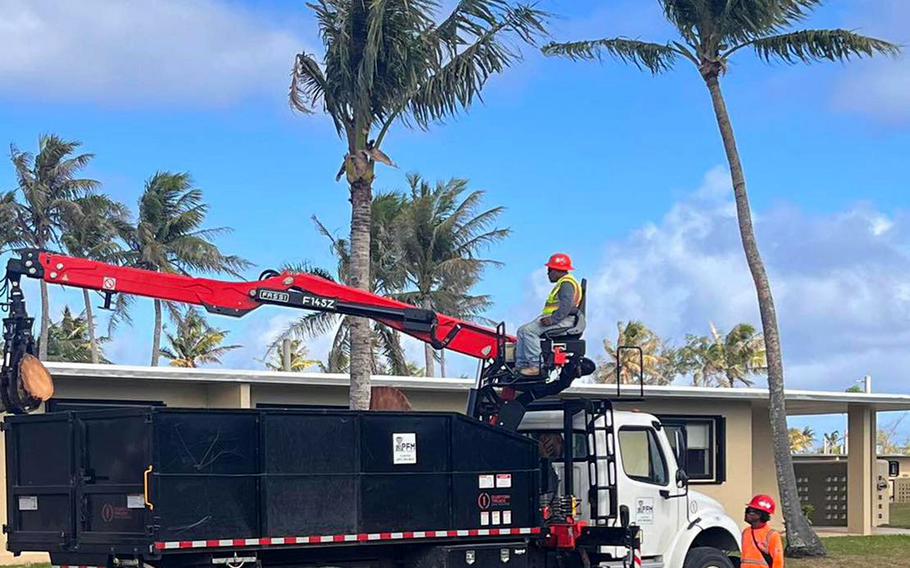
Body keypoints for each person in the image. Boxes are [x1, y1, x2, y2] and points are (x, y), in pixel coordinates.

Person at [515, 253, 583, 376]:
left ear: (557, 270)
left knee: (528, 332)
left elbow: (566, 305)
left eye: (549, 270)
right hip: (560, 318)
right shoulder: (565, 282)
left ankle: (536, 366)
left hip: (563, 320)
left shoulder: (567, 283)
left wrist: (553, 319)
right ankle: (521, 366)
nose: (548, 273)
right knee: (521, 330)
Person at [741, 495, 784, 568]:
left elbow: (778, 561)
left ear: (759, 515)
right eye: (746, 510)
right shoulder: (746, 532)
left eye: (749, 511)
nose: (746, 514)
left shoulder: (772, 535)